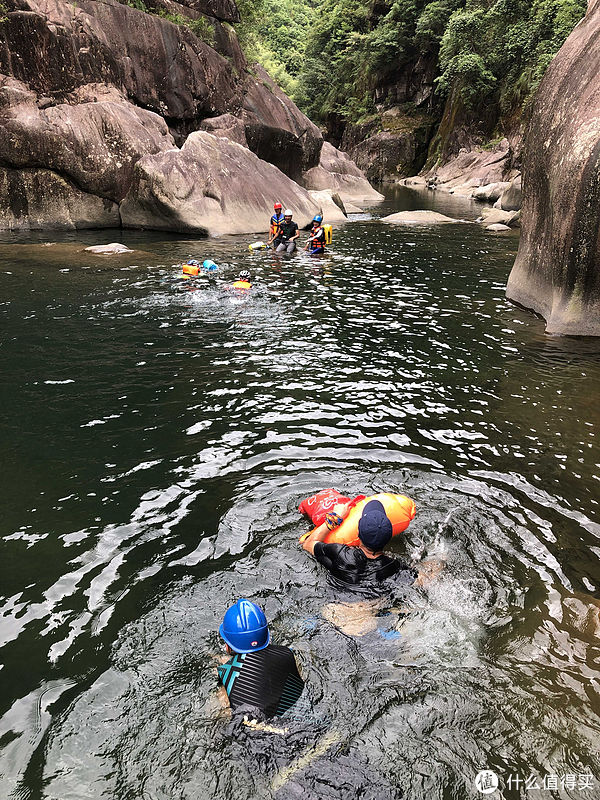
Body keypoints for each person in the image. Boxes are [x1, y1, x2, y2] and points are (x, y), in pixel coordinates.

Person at [301, 498, 417, 592]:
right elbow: (421, 579)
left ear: (357, 534)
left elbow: (307, 544)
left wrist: (335, 517)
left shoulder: (340, 553)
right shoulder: (395, 567)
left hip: (334, 611)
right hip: (374, 612)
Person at [217, 599, 305, 717]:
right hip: (310, 720)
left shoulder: (225, 674)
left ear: (228, 646)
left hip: (259, 730)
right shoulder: (287, 654)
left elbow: (221, 713)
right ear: (267, 635)